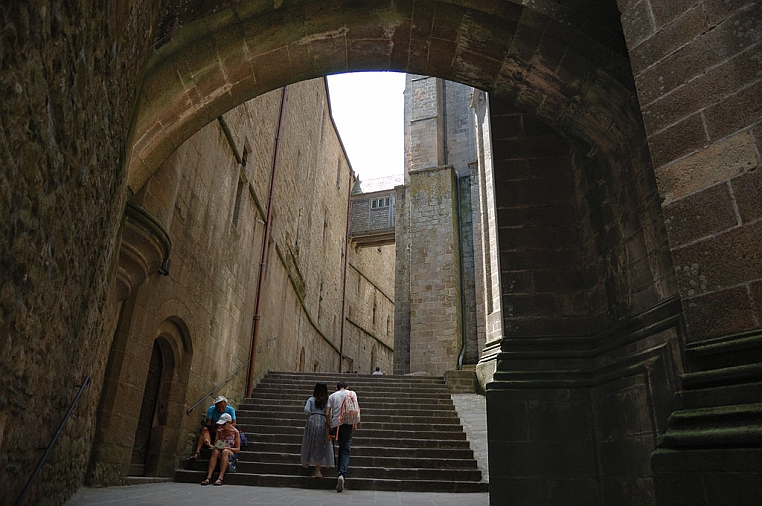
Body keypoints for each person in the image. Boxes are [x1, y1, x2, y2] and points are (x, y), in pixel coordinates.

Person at [326, 381, 360, 492]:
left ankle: (340, 473)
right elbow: (355, 409)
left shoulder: (332, 396)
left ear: (337, 388)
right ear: (347, 387)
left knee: (341, 448)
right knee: (345, 449)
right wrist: (354, 424)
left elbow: (327, 413)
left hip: (336, 424)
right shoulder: (352, 393)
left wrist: (330, 427)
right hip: (348, 424)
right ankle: (341, 474)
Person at [300, 382, 334, 478]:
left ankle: (307, 460)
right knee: (321, 445)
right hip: (323, 421)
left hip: (312, 421)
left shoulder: (311, 399)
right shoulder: (327, 401)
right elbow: (329, 414)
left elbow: (306, 410)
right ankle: (318, 470)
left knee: (309, 441)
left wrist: (313, 414)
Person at [190, 395, 236, 459]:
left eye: (222, 407)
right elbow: (208, 423)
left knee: (219, 443)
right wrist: (215, 427)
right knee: (205, 430)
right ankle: (197, 452)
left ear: (225, 404)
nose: (221, 409)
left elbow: (234, 423)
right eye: (218, 407)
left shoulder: (231, 410)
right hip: (214, 429)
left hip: (225, 431)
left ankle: (210, 446)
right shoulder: (211, 409)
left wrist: (223, 427)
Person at [200, 413, 240, 486]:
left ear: (229, 422)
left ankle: (220, 477)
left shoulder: (235, 432)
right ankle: (209, 477)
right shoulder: (219, 431)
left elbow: (237, 449)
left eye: (223, 424)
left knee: (225, 452)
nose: (222, 426)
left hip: (229, 452)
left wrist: (228, 448)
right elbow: (216, 444)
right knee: (215, 451)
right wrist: (209, 444)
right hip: (220, 450)